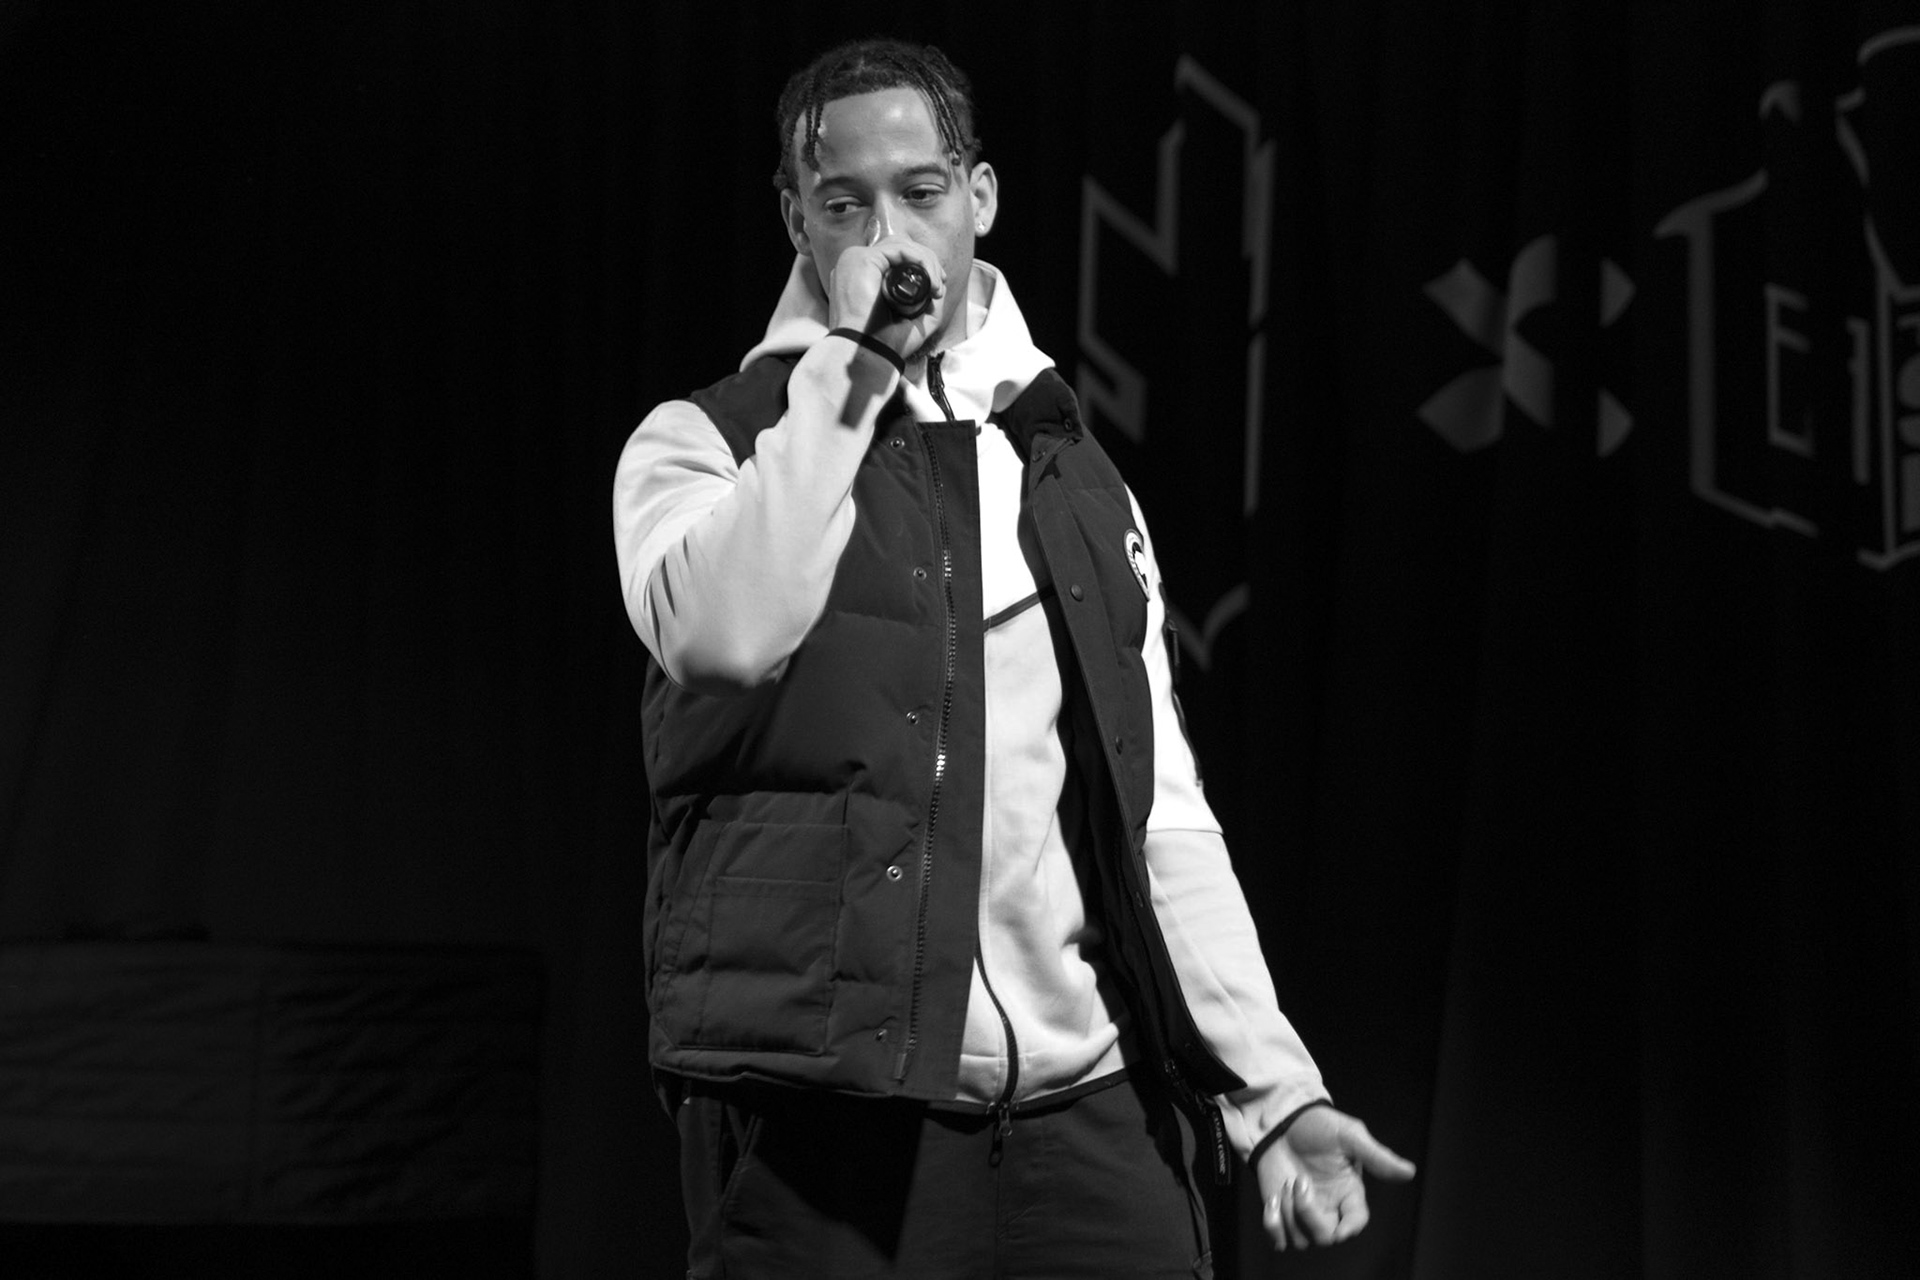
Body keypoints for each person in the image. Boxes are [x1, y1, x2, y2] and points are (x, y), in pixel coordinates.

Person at [612, 36, 1414, 1279]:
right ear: (795, 219)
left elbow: (1159, 813)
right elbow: (729, 633)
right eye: (844, 204)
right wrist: (850, 367)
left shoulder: (1071, 475)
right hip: (830, 1127)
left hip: (1088, 1119)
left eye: (920, 192)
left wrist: (1272, 1089)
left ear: (979, 199)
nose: (888, 236)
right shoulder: (702, 443)